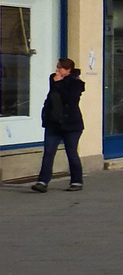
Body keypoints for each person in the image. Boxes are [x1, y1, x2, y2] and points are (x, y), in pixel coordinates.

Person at [30, 58, 84, 192]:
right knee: (48, 153)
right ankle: (42, 182)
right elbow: (52, 97)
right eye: (57, 67)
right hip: (53, 123)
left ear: (68, 70)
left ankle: (77, 181)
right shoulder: (53, 79)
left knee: (71, 153)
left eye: (60, 68)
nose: (57, 70)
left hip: (71, 125)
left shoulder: (77, 84)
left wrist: (60, 83)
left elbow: (69, 99)